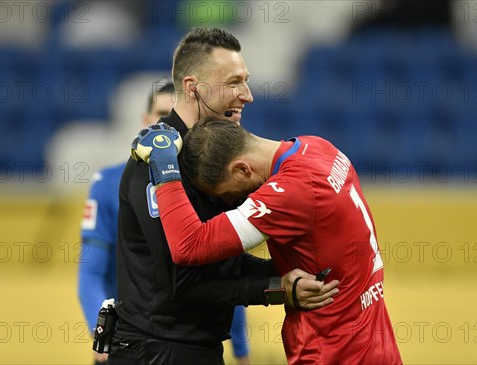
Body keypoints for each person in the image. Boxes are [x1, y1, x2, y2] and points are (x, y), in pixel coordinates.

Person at [111, 27, 339, 365]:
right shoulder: (156, 164)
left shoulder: (216, 155)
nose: (247, 95)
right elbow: (183, 284)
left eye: (245, 80)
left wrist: (295, 272)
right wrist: (277, 288)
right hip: (155, 350)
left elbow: (222, 264)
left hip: (196, 348)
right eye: (233, 82)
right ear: (193, 88)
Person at [131, 118, 403, 365]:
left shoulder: (290, 191)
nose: (230, 203)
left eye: (225, 194)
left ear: (241, 169)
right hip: (378, 343)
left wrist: (165, 168)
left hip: (333, 350)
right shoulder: (319, 147)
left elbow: (188, 246)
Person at [78, 80, 176, 365]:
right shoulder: (109, 184)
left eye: (175, 117)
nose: (167, 127)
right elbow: (91, 274)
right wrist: (104, 335)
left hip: (188, 343)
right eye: (161, 115)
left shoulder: (207, 186)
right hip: (127, 344)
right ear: (145, 122)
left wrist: (241, 351)